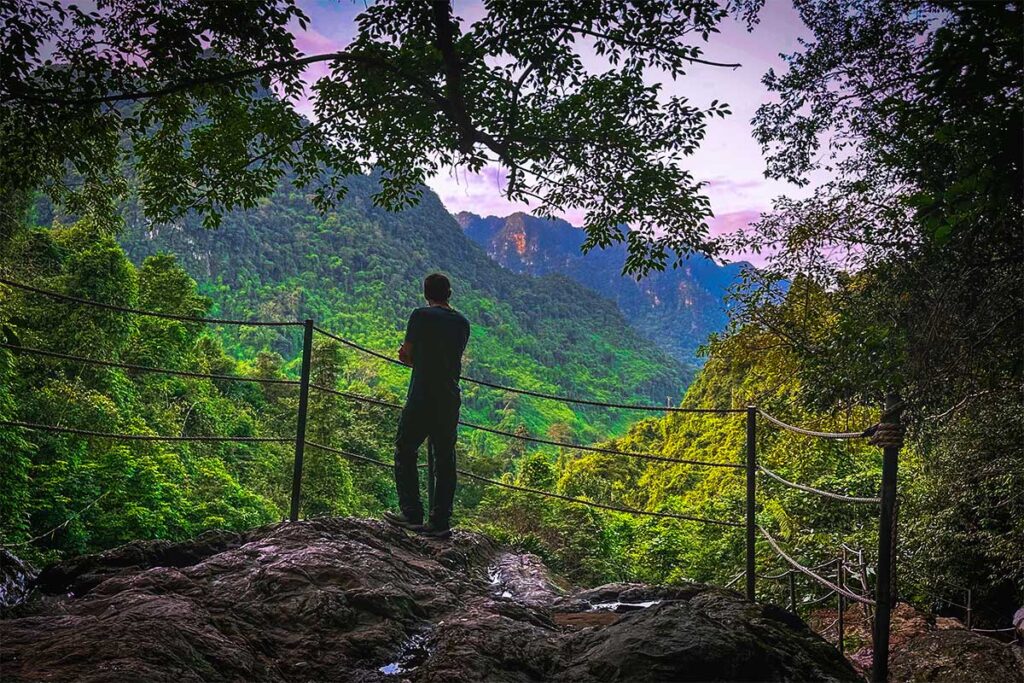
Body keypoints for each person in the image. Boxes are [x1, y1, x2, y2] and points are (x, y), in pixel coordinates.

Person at [384, 273, 470, 539]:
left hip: (422, 394)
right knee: (445, 458)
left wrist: (411, 357)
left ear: (425, 294)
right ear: (450, 294)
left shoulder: (420, 316)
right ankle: (440, 521)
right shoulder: (462, 323)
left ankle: (411, 513)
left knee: (405, 447)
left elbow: (407, 355)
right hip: (449, 396)